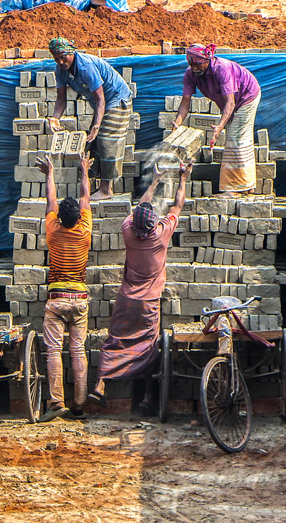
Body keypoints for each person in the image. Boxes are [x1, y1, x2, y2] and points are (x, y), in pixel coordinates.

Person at [90, 161, 191, 414]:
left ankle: (100, 386)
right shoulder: (160, 234)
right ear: (153, 224)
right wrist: (183, 178)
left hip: (125, 300)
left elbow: (139, 207)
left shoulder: (128, 231)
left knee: (114, 341)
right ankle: (146, 396)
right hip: (148, 303)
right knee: (148, 348)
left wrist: (155, 181)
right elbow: (178, 205)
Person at [36, 151, 92, 421]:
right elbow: (86, 198)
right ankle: (79, 404)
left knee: (53, 351)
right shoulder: (85, 231)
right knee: (78, 351)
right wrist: (85, 171)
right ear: (78, 217)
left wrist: (50, 174)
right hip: (80, 299)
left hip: (56, 298)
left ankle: (56, 403)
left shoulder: (52, 230)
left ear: (60, 216)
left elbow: (49, 200)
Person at [170, 44, 261, 195]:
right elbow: (185, 101)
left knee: (236, 137)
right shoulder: (190, 74)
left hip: (247, 96)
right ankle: (247, 185)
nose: (194, 68)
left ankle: (235, 188)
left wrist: (219, 127)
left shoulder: (221, 69)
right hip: (231, 103)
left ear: (207, 60)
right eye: (190, 64)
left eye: (197, 64)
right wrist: (177, 123)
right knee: (239, 138)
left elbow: (230, 103)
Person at [48, 36, 132, 200]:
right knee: (90, 142)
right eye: (56, 59)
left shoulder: (85, 66)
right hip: (100, 103)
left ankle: (106, 189)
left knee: (106, 139)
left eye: (63, 57)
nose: (60, 62)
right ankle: (90, 185)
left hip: (116, 98)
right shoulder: (60, 70)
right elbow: (61, 99)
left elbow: (101, 99)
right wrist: (55, 117)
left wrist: (97, 124)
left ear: (71, 53)